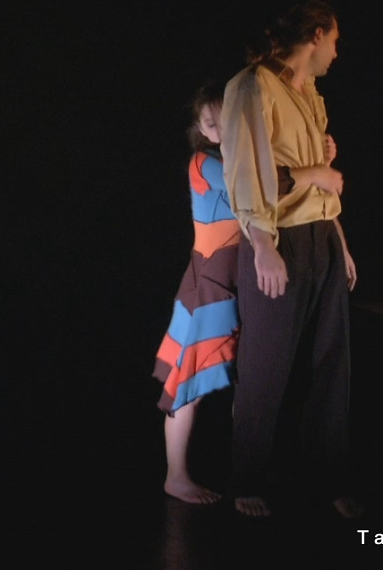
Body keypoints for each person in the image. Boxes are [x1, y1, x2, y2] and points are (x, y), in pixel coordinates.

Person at [220, 0, 363, 518]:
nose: (337, 52)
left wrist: (338, 240)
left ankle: (328, 479)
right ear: (316, 35)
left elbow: (316, 184)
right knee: (265, 365)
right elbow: (248, 174)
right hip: (278, 238)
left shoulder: (309, 95)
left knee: (330, 366)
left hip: (321, 236)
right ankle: (246, 479)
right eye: (335, 40)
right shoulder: (253, 86)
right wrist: (262, 244)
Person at [152, 81, 239, 504]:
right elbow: (257, 193)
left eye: (226, 120)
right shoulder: (205, 162)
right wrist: (314, 173)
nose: (219, 129)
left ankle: (242, 464)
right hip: (210, 282)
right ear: (201, 128)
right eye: (211, 122)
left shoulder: (232, 160)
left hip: (224, 279)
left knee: (214, 376)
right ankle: (176, 476)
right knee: (189, 380)